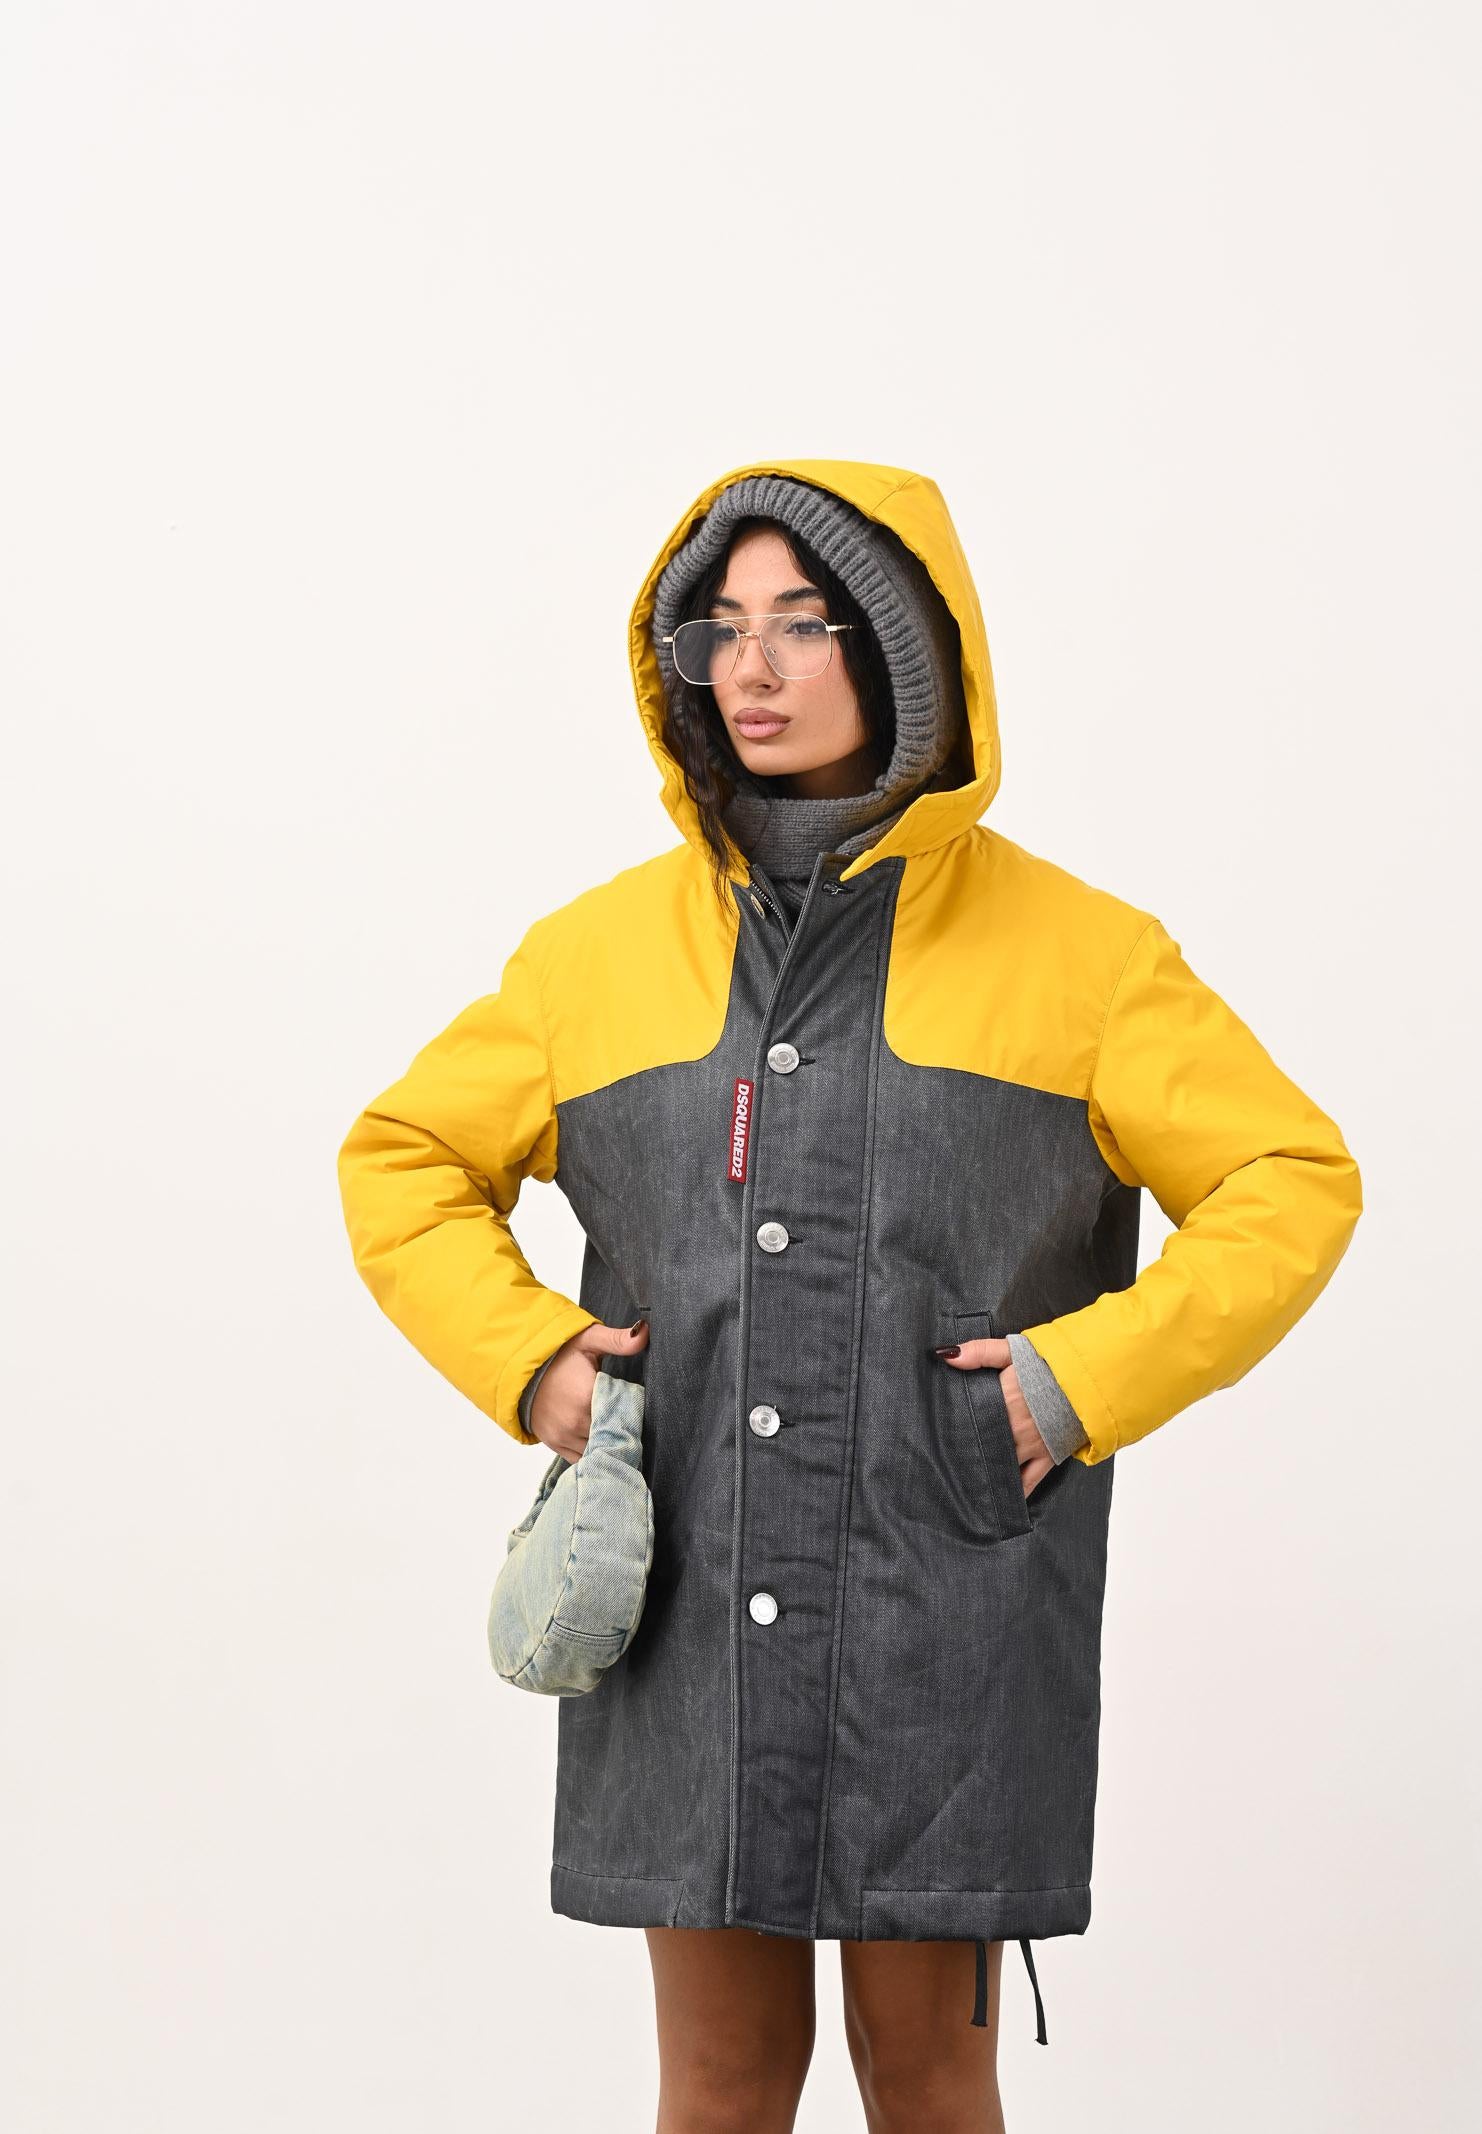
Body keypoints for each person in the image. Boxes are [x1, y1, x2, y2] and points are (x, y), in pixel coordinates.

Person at [336, 458, 1362, 2133]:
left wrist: (1069, 1384)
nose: (749, 666)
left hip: (939, 1608)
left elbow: (1288, 1178)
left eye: (802, 624)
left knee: (930, 2080)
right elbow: (401, 1157)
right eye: (720, 629)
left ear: (904, 651)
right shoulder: (595, 956)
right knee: (722, 2082)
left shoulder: (1083, 957)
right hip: (684, 1596)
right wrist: (534, 1363)